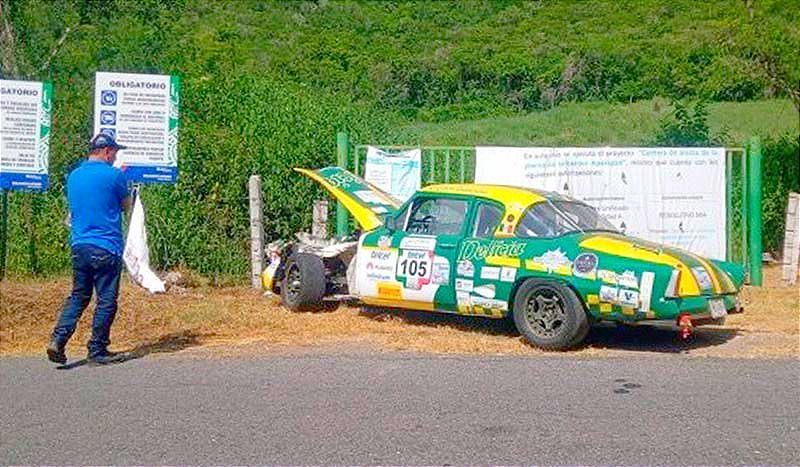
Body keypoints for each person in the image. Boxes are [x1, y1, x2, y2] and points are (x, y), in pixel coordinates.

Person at [47, 133, 131, 365]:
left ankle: (58, 339)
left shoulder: (74, 176)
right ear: (106, 151)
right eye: (115, 152)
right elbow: (127, 206)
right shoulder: (114, 175)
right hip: (106, 246)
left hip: (79, 245)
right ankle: (97, 349)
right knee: (106, 300)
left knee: (79, 296)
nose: (115, 157)